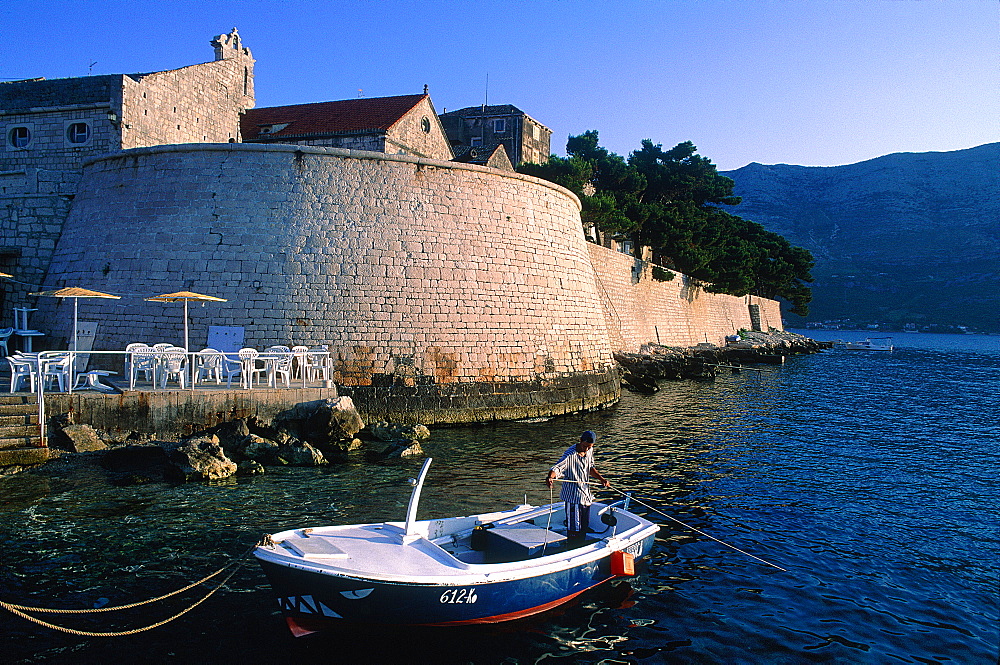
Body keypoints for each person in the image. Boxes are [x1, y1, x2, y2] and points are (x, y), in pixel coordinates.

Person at [546, 430, 610, 541]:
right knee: (574, 527)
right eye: (585, 446)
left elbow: (590, 468)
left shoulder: (589, 450)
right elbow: (556, 468)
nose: (586, 449)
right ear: (580, 441)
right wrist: (550, 477)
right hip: (573, 498)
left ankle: (581, 542)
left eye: (589, 447)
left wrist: (601, 479)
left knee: (584, 525)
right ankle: (572, 544)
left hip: (585, 496)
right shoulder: (570, 455)